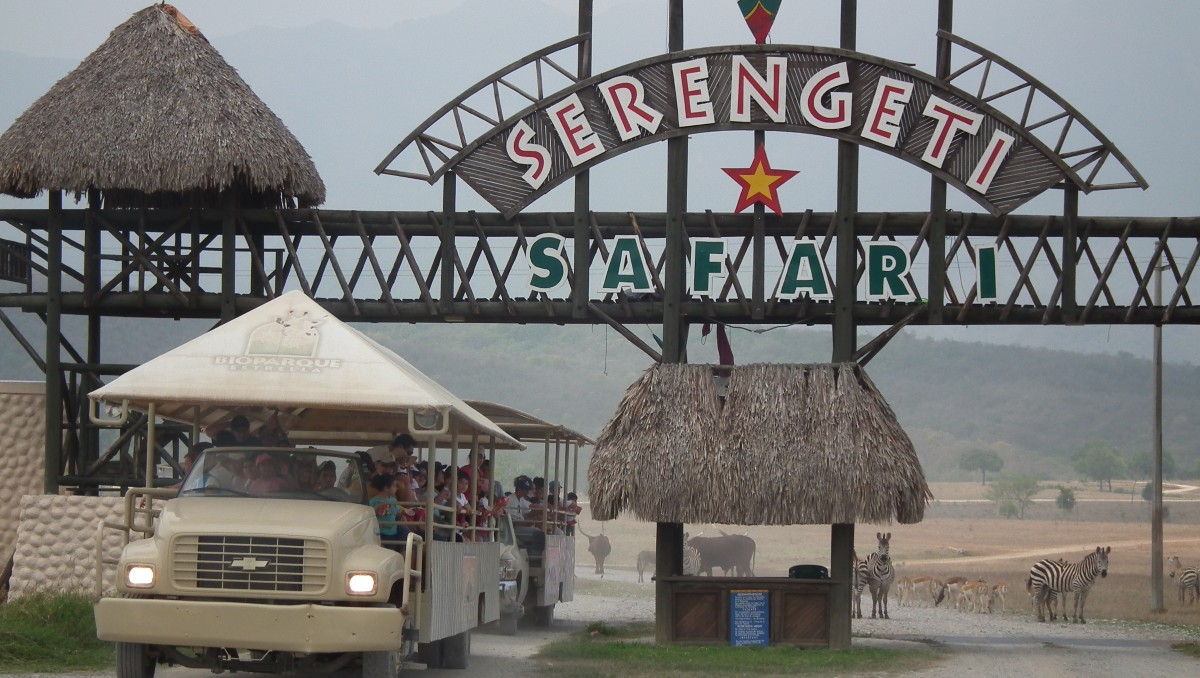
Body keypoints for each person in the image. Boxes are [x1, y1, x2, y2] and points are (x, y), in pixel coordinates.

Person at [369, 473, 409, 550]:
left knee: (393, 549)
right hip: (380, 532)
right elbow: (369, 514)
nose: (397, 488)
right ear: (386, 487)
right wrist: (375, 512)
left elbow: (397, 513)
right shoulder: (374, 501)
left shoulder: (393, 500)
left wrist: (402, 516)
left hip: (392, 531)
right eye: (394, 485)